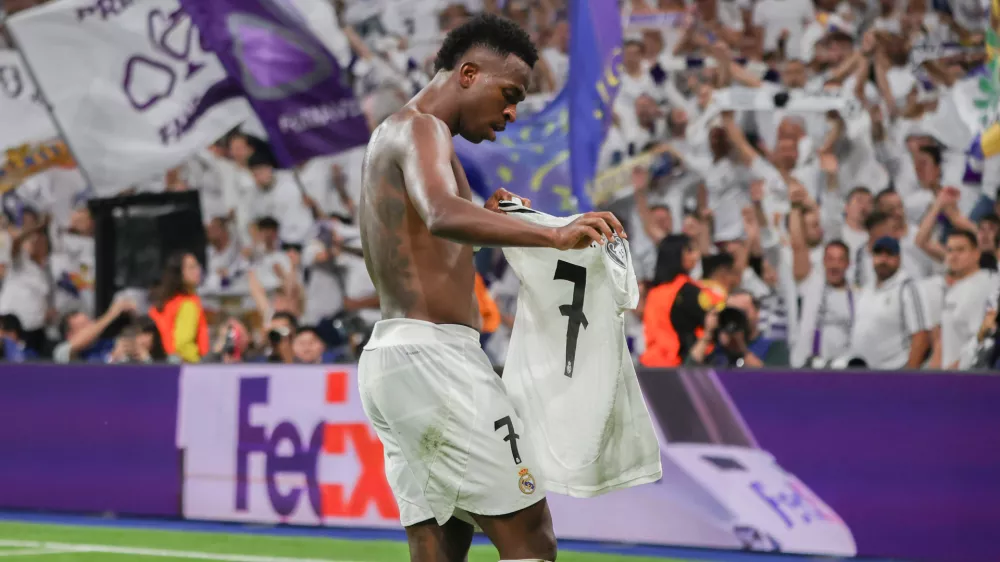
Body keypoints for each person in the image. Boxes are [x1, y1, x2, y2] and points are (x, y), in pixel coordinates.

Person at [356, 14, 625, 562]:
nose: (510, 112)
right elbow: (437, 214)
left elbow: (429, 238)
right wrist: (550, 232)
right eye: (509, 94)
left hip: (396, 356)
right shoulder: (419, 127)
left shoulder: (409, 136)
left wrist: (489, 218)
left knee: (441, 542)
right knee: (531, 537)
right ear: (469, 73)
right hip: (435, 360)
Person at [849, 237, 932, 369]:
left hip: (893, 372)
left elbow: (921, 337)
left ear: (899, 258)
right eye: (878, 254)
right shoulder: (867, 290)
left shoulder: (907, 287)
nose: (883, 259)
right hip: (862, 372)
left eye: (889, 254)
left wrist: (907, 378)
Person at [148, 252, 209, 363]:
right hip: (181, 365)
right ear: (179, 274)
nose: (198, 270)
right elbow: (183, 344)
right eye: (191, 267)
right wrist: (201, 364)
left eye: (197, 266)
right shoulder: (188, 303)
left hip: (160, 363)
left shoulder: (163, 301)